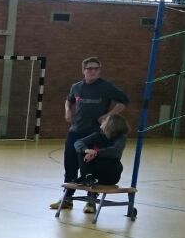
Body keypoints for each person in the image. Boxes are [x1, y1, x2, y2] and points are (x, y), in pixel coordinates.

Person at [54, 57, 129, 211]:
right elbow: (69, 100)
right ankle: (67, 199)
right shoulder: (76, 87)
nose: (93, 71)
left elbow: (124, 101)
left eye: (96, 68)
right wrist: (68, 110)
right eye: (90, 68)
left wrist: (108, 115)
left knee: (91, 167)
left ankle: (91, 201)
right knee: (70, 166)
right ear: (84, 70)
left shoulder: (106, 87)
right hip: (75, 131)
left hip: (95, 133)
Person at [71, 113, 130, 215]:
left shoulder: (120, 138)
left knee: (106, 157)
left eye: (105, 120)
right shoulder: (97, 135)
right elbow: (78, 142)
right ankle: (88, 177)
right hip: (96, 174)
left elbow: (115, 151)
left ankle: (88, 177)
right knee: (82, 152)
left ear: (111, 124)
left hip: (110, 175)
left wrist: (96, 153)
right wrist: (86, 150)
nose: (103, 121)